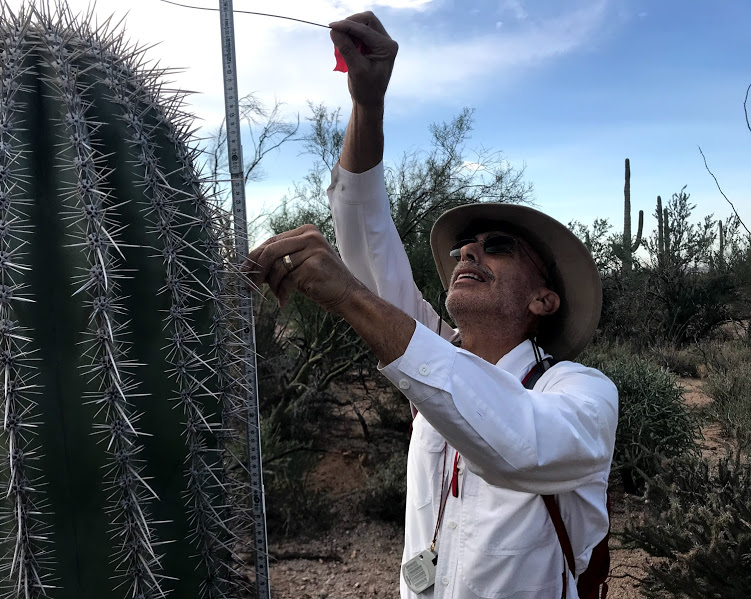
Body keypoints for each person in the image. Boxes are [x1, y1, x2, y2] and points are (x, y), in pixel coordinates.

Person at [244, 12, 618, 599]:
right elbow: (365, 232)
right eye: (465, 247)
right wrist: (367, 105)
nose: (471, 252)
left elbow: (518, 444)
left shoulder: (581, 393)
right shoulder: (436, 351)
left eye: (497, 247)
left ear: (544, 298)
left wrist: (351, 297)